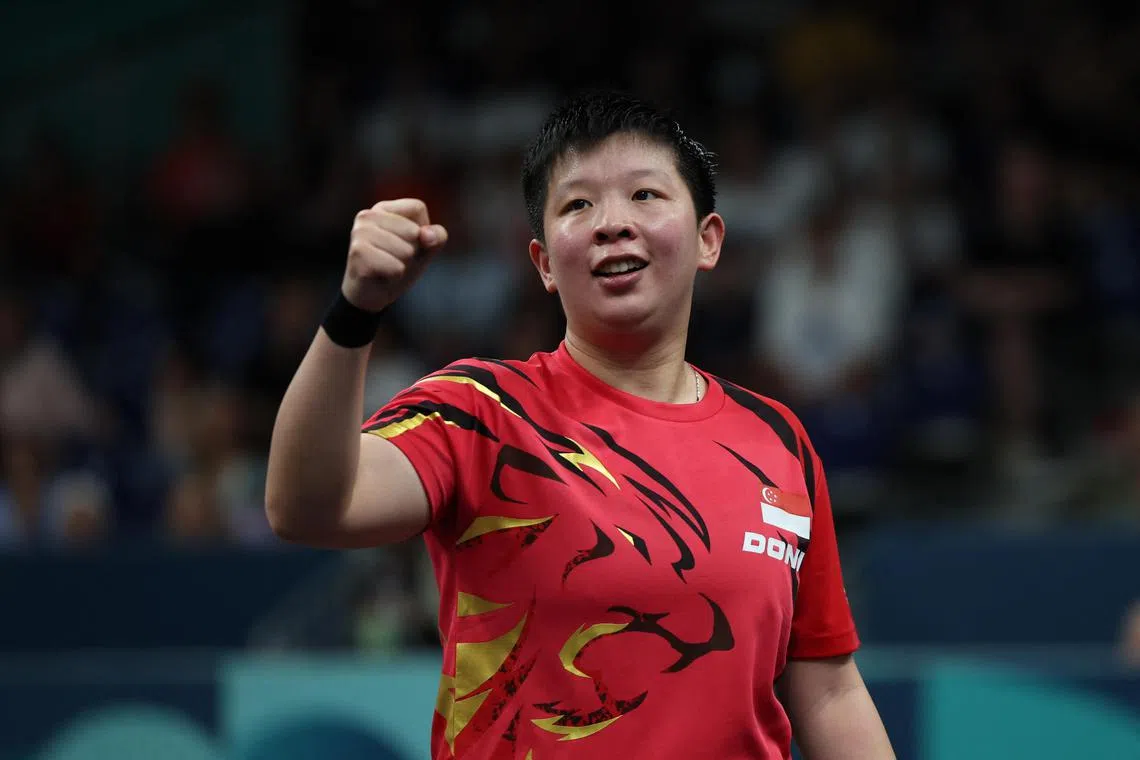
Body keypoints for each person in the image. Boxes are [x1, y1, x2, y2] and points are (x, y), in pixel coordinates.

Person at [266, 91, 894, 760]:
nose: (612, 223)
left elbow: (827, 687)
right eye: (578, 204)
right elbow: (307, 506)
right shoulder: (480, 412)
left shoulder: (779, 441)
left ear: (708, 240)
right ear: (542, 262)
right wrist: (355, 311)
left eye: (646, 195)